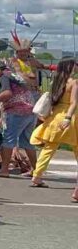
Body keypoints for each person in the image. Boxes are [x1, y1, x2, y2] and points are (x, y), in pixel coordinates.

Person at [0, 53, 39, 179]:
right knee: (27, 142)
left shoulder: (4, 77)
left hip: (16, 112)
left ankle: (4, 169)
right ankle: (36, 170)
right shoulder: (14, 75)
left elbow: (7, 93)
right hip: (30, 111)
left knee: (9, 139)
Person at [29, 59, 77, 189]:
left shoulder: (56, 82)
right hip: (69, 116)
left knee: (48, 148)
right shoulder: (74, 83)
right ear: (70, 68)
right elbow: (73, 102)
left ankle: (36, 176)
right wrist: (68, 117)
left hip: (55, 116)